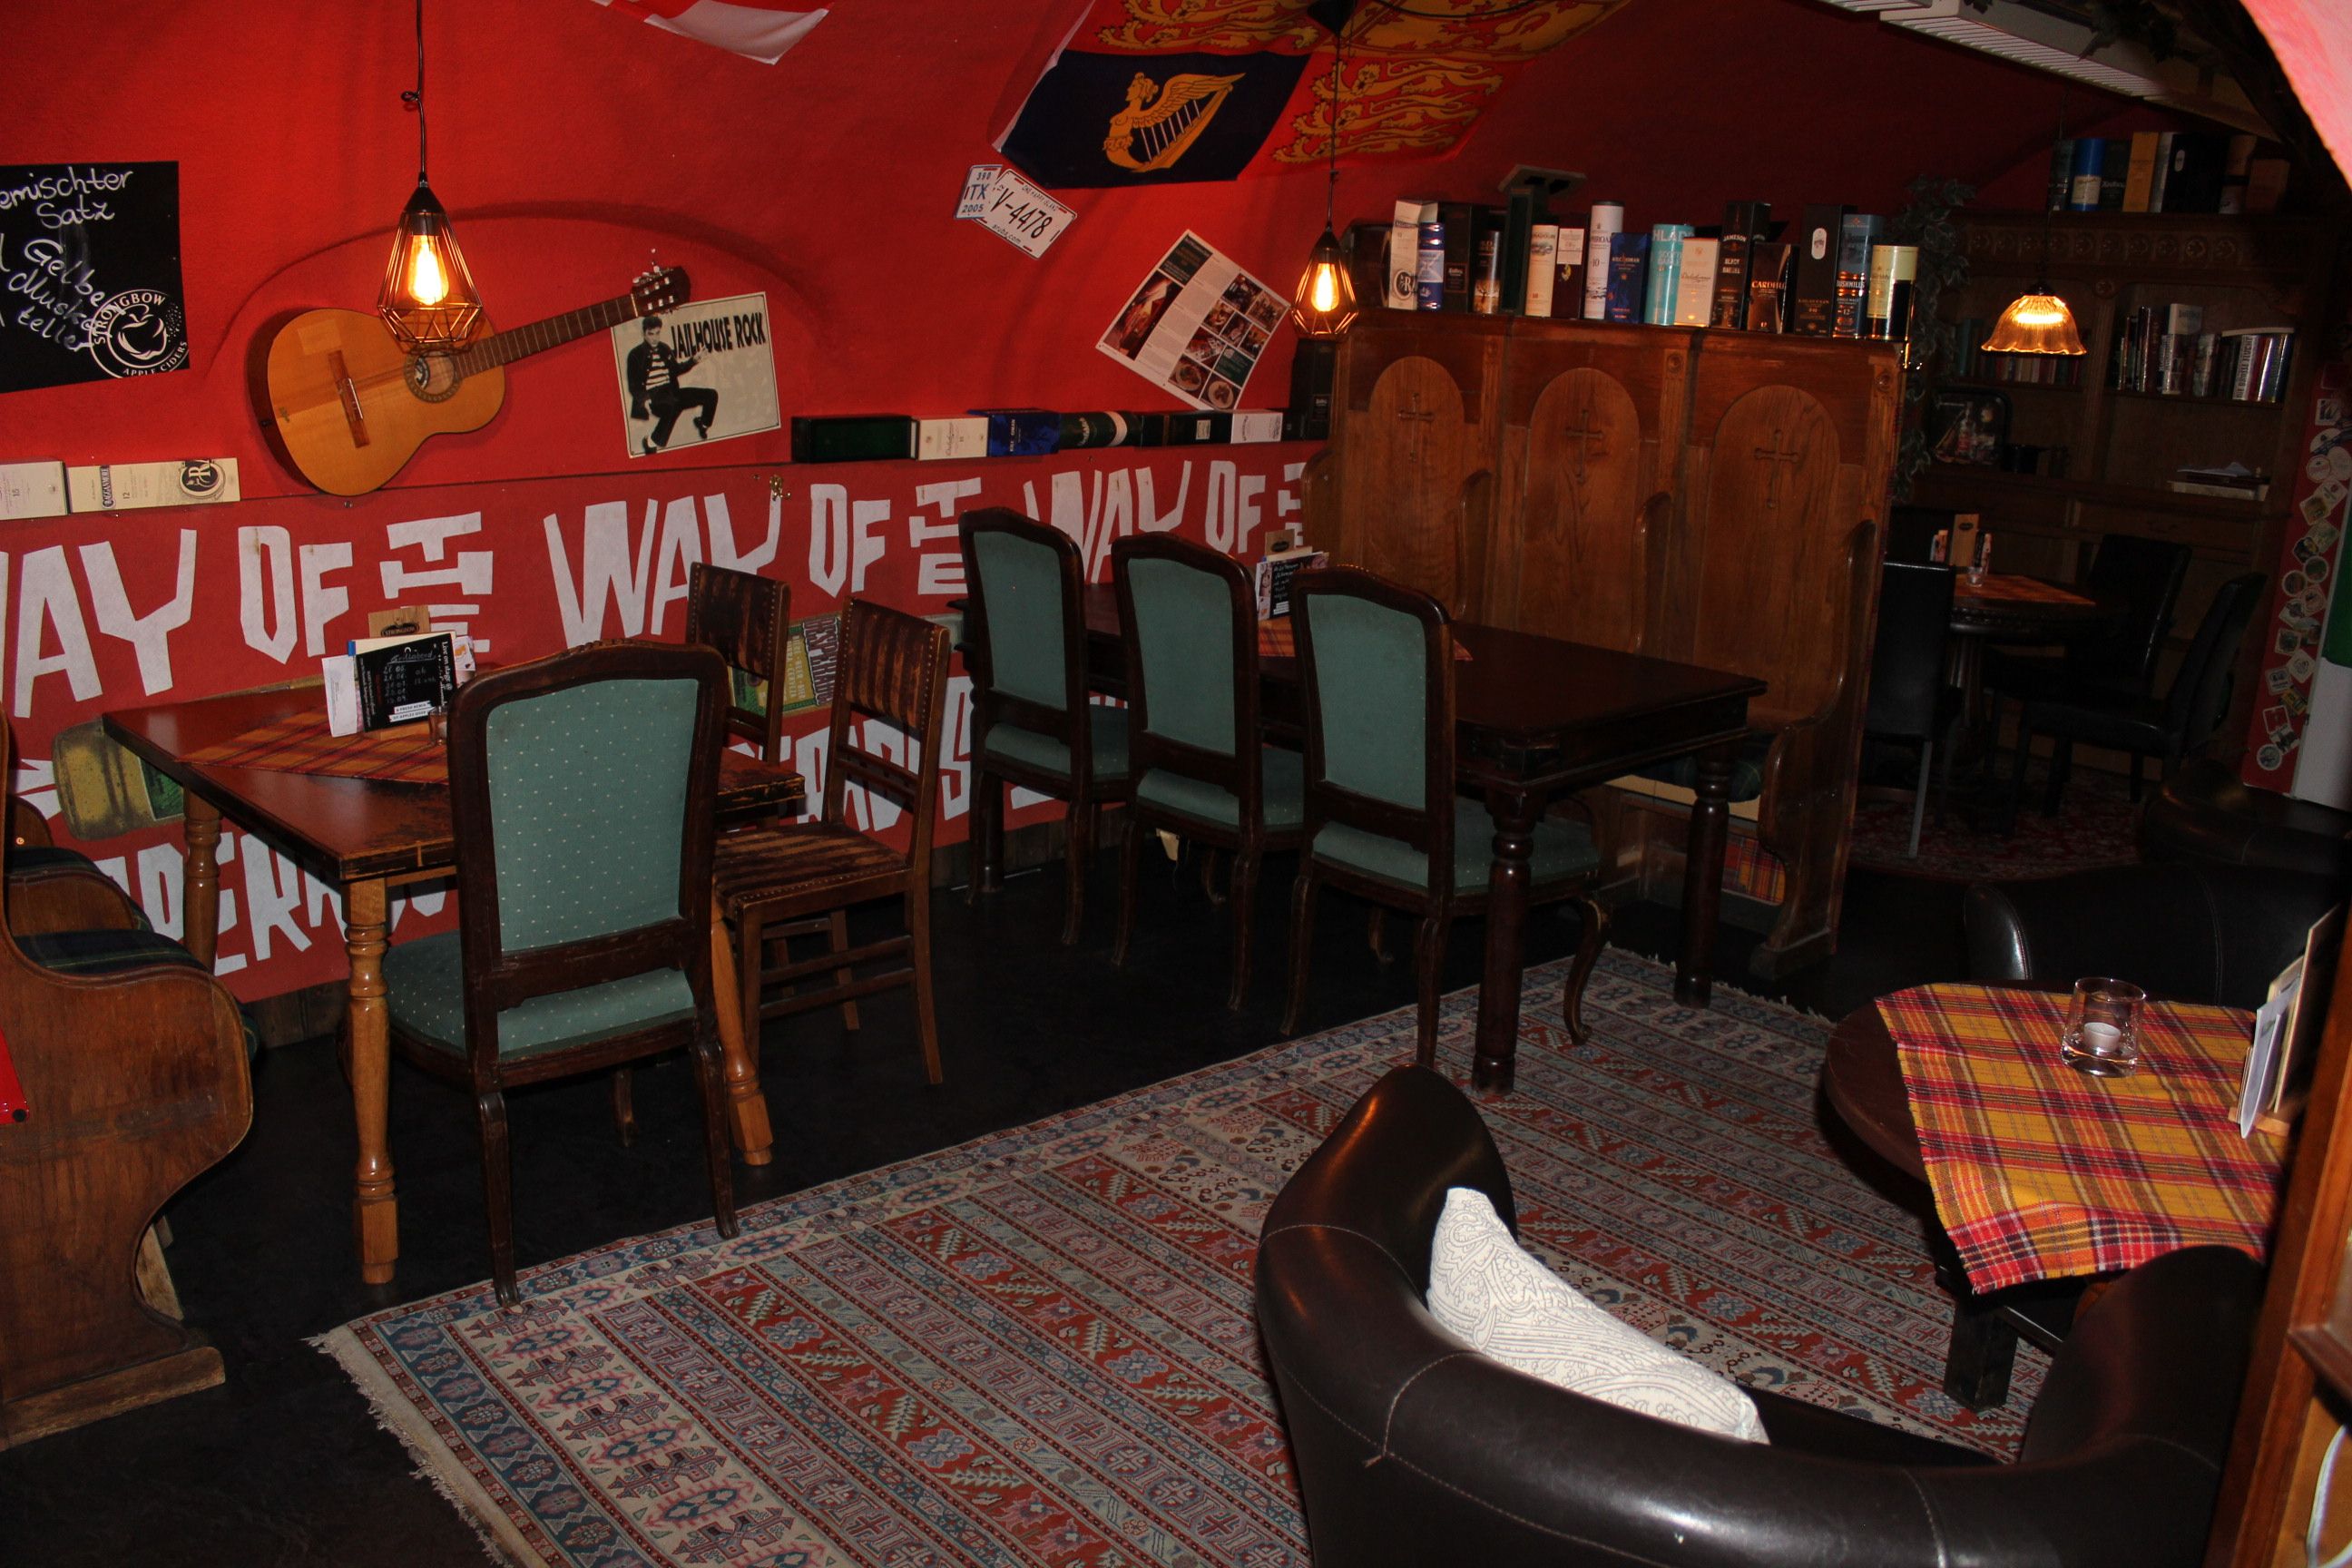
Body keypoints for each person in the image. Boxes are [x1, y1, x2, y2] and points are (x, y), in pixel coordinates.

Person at [626, 316, 719, 456]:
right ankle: (651, 442)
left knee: (711, 394)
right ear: (644, 333)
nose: (655, 338)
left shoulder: (664, 348)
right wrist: (645, 399)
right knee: (672, 405)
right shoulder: (635, 355)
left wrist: (694, 360)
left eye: (657, 333)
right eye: (651, 334)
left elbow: (676, 370)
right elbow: (633, 386)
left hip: (672, 392)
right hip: (654, 397)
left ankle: (703, 424)